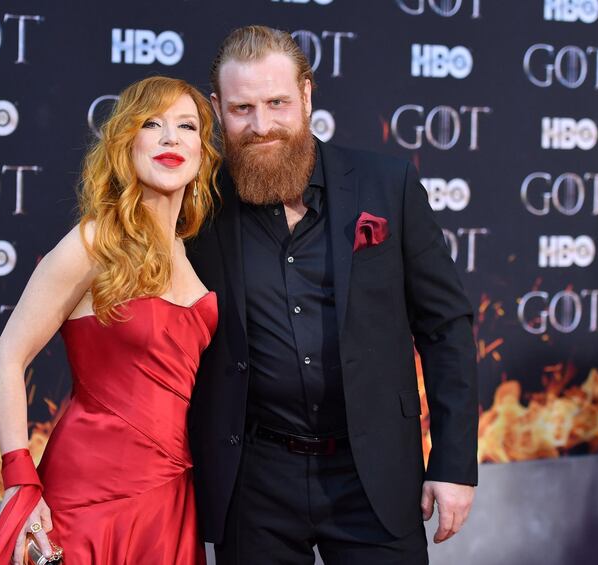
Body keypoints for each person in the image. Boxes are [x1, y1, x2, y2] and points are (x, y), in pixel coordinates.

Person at [186, 26, 478, 564]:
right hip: (253, 479)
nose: (261, 125)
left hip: (374, 475)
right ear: (215, 108)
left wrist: (454, 464)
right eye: (242, 108)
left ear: (306, 93)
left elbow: (445, 328)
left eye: (276, 102)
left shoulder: (387, 184)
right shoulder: (196, 206)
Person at [0, 76, 220, 565]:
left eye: (187, 125)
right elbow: (7, 356)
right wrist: (19, 480)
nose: (171, 137)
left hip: (172, 495)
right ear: (125, 142)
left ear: (203, 149)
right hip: (87, 495)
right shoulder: (94, 242)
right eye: (152, 124)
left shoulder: (197, 251)